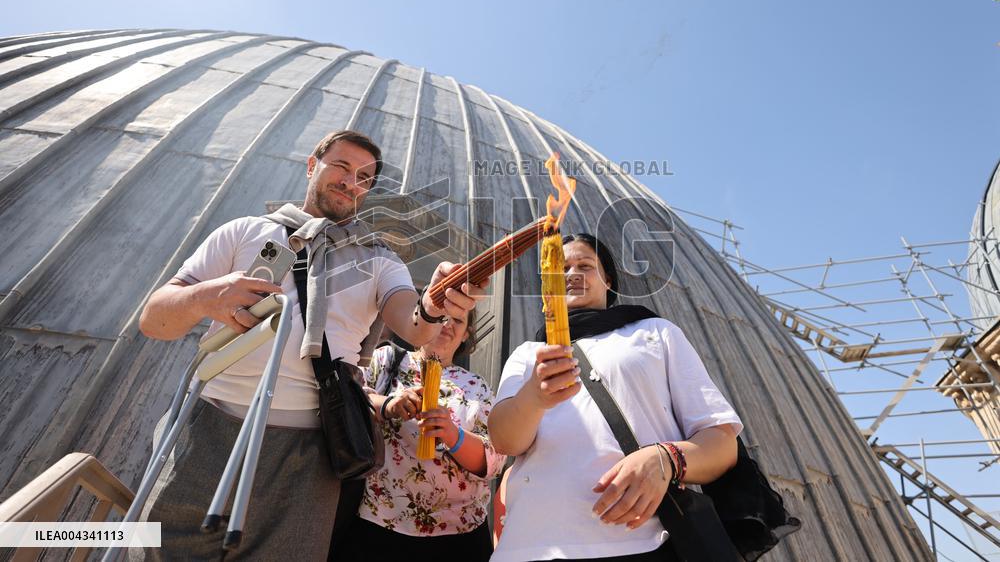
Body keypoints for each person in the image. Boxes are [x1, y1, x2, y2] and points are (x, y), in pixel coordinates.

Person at [136, 129, 486, 560]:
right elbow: (154, 319)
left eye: (364, 177)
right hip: (207, 427)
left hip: (308, 453)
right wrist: (206, 296)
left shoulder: (379, 261)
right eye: (341, 166)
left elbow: (413, 324)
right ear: (311, 166)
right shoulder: (246, 231)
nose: (350, 181)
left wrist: (433, 305)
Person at [488, 233, 742, 562]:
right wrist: (534, 397)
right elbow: (504, 440)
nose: (572, 274)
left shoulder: (654, 333)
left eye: (585, 265)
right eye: (560, 269)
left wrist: (665, 459)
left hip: (639, 543)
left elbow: (722, 443)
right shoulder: (529, 354)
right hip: (529, 547)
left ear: (608, 280)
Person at [333, 306, 505, 560]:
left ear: (466, 333)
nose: (447, 324)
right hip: (382, 522)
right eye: (441, 316)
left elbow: (493, 460)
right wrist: (390, 405)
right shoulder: (388, 359)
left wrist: (452, 435)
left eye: (457, 320)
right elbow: (352, 402)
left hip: (458, 534)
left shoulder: (477, 387)